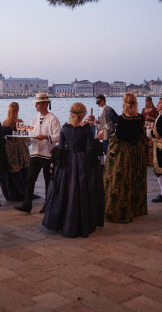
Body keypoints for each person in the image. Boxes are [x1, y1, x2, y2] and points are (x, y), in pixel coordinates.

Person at [42, 102, 104, 237]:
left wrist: (55, 164)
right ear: (83, 114)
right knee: (81, 190)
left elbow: (60, 147)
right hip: (82, 163)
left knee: (66, 191)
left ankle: (63, 222)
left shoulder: (64, 128)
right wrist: (98, 139)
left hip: (67, 163)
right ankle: (80, 223)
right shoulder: (87, 129)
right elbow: (89, 149)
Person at [15, 93, 62, 214]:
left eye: (38, 103)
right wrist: (26, 139)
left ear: (45, 104)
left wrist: (46, 137)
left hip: (47, 154)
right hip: (35, 153)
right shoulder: (34, 118)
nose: (36, 105)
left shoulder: (53, 119)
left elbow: (59, 136)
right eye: (36, 103)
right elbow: (31, 136)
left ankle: (48, 205)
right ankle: (27, 204)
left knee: (48, 180)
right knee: (30, 179)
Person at [104, 93, 147, 223]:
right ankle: (137, 208)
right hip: (137, 151)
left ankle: (119, 210)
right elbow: (140, 134)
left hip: (124, 152)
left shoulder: (122, 119)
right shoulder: (140, 117)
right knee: (136, 177)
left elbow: (120, 136)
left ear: (124, 103)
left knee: (120, 180)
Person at [0, 102, 30, 201]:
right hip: (20, 151)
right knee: (22, 171)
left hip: (9, 151)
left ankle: (11, 191)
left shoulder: (4, 123)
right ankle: (22, 190)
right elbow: (25, 138)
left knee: (11, 171)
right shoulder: (20, 122)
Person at [95, 94, 118, 160]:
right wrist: (97, 123)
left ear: (103, 101)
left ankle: (109, 163)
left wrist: (108, 126)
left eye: (99, 103)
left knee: (107, 148)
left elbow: (116, 120)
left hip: (108, 133)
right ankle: (102, 164)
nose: (98, 104)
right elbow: (101, 120)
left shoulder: (110, 110)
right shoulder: (99, 110)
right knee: (100, 148)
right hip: (100, 132)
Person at [141, 96, 159, 166]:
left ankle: (151, 161)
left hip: (152, 127)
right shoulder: (143, 109)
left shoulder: (155, 110)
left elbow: (157, 119)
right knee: (144, 144)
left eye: (149, 101)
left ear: (151, 101)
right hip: (145, 128)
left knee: (151, 144)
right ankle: (145, 161)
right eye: (146, 101)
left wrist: (150, 117)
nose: (147, 102)